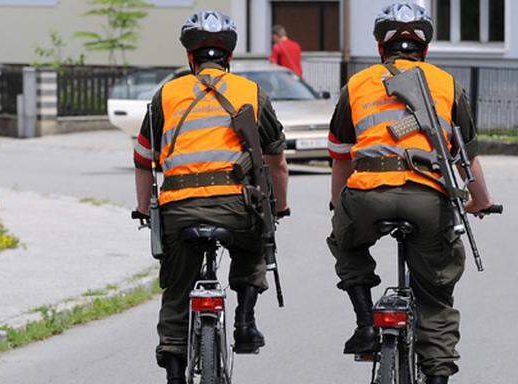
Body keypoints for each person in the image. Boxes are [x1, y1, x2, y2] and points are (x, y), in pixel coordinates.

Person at [326, 3, 495, 384]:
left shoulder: (356, 85)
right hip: (426, 196)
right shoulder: (447, 84)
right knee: (435, 295)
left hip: (366, 194)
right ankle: (436, 374)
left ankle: (366, 322)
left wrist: (340, 209)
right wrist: (480, 201)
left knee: (346, 242)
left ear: (379, 46)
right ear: (426, 47)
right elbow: (468, 159)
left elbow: (340, 159)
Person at [133, 10, 289, 384]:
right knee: (253, 245)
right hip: (235, 207)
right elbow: (277, 161)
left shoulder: (165, 95)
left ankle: (174, 365)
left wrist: (143, 210)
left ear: (191, 57)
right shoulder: (251, 93)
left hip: (179, 210)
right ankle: (245, 323)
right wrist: (279, 207)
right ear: (229, 57)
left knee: (176, 289)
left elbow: (142, 161)